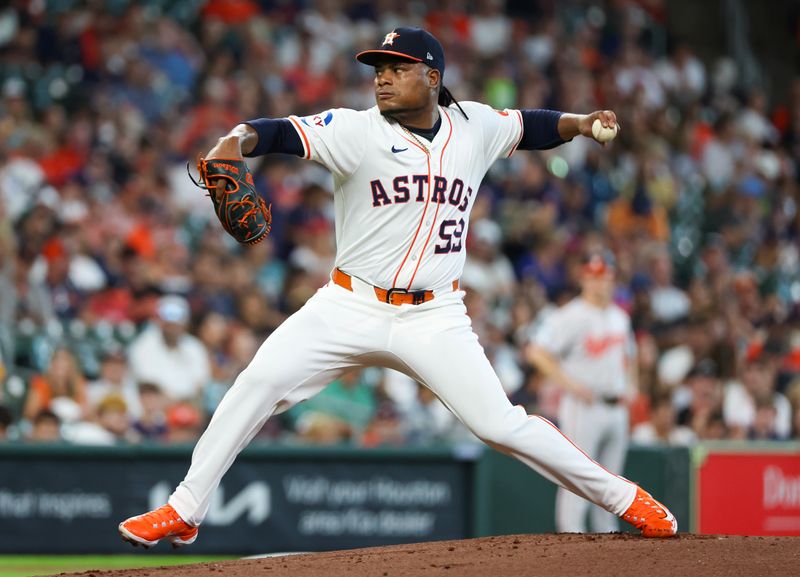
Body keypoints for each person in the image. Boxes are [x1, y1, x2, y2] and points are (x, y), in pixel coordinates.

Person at [119, 27, 676, 548]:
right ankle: (186, 508)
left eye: (396, 67)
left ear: (432, 78)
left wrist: (580, 122)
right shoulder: (356, 131)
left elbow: (529, 126)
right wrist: (234, 139)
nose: (381, 77)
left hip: (434, 317)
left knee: (498, 424)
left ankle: (626, 498)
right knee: (258, 381)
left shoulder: (473, 126)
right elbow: (280, 132)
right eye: (378, 68)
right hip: (347, 303)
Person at [526, 250, 637, 533]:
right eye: (593, 277)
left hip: (616, 407)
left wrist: (632, 385)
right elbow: (536, 352)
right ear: (584, 279)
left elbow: (630, 356)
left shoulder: (619, 317)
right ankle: (570, 544)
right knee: (577, 481)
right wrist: (571, 386)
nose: (599, 283)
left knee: (614, 482)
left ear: (612, 279)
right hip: (583, 406)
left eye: (604, 277)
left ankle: (607, 545)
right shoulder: (570, 315)